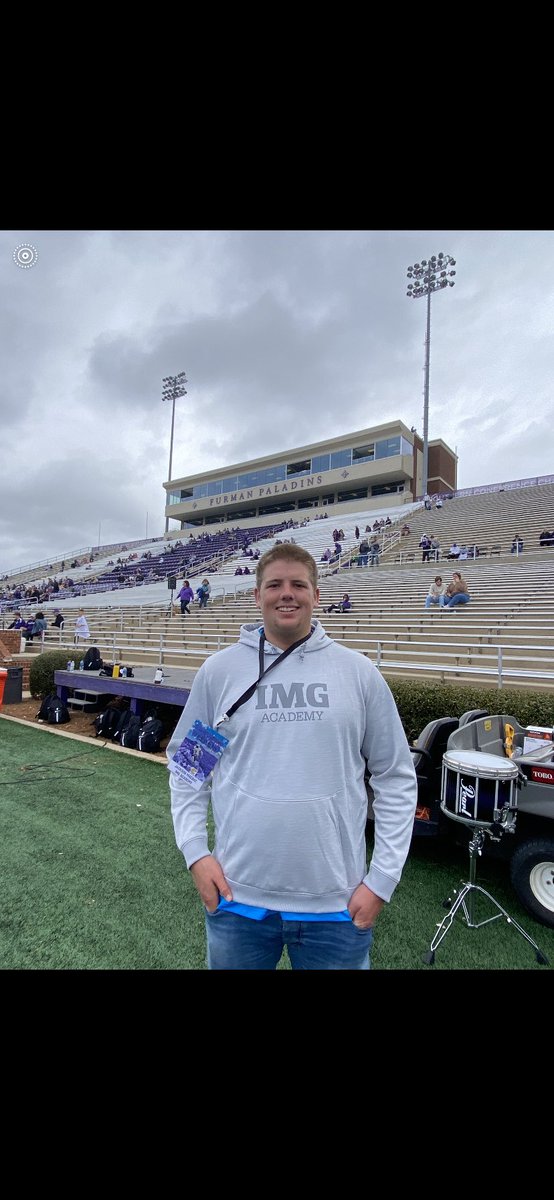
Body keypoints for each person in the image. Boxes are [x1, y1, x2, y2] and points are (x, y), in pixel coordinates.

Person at [168, 545, 418, 971]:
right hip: (237, 897)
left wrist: (381, 880)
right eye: (275, 585)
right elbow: (191, 770)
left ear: (316, 595)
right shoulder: (220, 672)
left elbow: (394, 776)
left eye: (298, 584)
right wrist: (195, 851)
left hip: (336, 904)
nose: (288, 594)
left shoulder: (357, 673)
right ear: (256, 595)